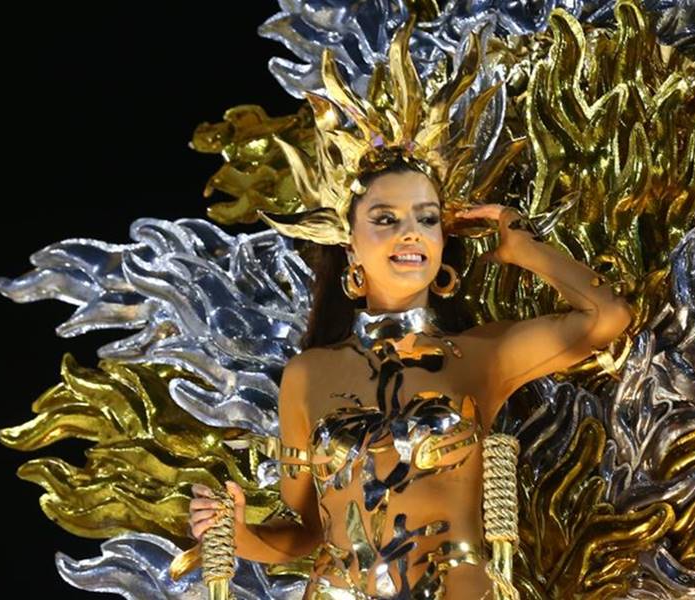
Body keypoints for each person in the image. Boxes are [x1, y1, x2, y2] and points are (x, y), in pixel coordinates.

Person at [186, 152, 632, 598]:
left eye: (427, 218)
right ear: (350, 245)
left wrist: (525, 247)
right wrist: (236, 534)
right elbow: (308, 532)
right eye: (385, 219)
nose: (411, 232)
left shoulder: (481, 357)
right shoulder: (307, 374)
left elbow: (606, 316)